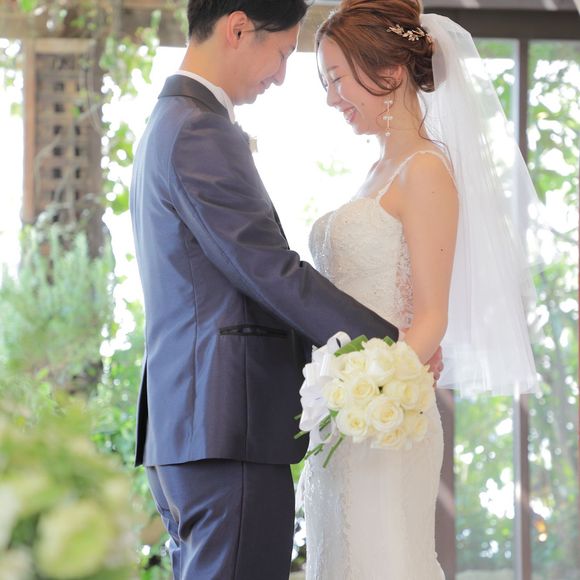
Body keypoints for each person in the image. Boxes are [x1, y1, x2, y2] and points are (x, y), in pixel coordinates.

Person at [129, 1, 446, 578]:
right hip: (226, 426)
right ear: (238, 27)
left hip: (201, 426)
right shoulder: (198, 128)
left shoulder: (171, 122)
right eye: (280, 54)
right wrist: (391, 349)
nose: (280, 76)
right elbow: (269, 270)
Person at [303, 0, 541, 578]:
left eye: (337, 79)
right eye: (326, 82)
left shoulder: (426, 170)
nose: (331, 98)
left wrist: (369, 395)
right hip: (342, 417)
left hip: (385, 415)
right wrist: (335, 399)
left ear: (389, 72)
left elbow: (432, 317)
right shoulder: (375, 173)